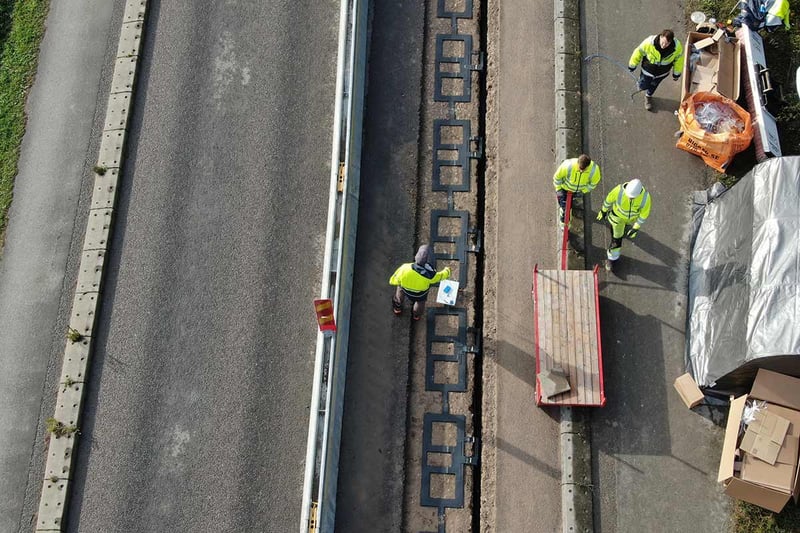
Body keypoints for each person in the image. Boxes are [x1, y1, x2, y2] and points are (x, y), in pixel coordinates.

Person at [596, 179, 652, 271]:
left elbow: (644, 214)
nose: (630, 198)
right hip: (617, 218)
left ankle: (625, 228)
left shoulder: (645, 198)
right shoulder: (619, 191)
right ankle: (612, 258)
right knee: (617, 240)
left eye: (632, 197)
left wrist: (636, 227)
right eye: (629, 196)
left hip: (629, 220)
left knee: (622, 232)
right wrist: (603, 211)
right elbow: (608, 200)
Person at [389, 245, 451, 320]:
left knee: (399, 291)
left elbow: (394, 280)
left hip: (405, 289)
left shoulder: (405, 268)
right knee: (420, 304)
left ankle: (397, 308)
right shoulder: (429, 275)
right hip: (420, 294)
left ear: (416, 257)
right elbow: (441, 276)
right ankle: (416, 315)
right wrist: (447, 271)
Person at [628, 30, 684, 111]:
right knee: (643, 85)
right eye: (663, 42)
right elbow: (638, 52)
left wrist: (676, 74)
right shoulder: (649, 42)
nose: (664, 45)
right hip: (647, 71)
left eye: (667, 44)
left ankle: (648, 96)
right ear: (660, 37)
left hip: (662, 74)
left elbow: (679, 60)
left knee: (654, 85)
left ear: (671, 42)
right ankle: (641, 86)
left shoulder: (677, 47)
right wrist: (632, 65)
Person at [553, 154, 602, 227]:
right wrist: (558, 190)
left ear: (588, 166)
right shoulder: (567, 165)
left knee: (570, 206)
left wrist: (583, 191)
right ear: (577, 162)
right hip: (564, 190)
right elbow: (557, 178)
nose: (581, 170)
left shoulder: (594, 170)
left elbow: (593, 184)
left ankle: (570, 210)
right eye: (580, 168)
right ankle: (564, 225)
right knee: (565, 209)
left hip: (577, 192)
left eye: (583, 169)